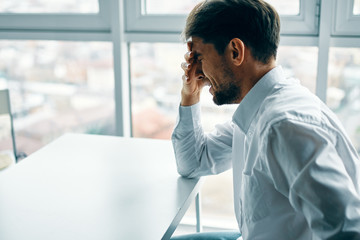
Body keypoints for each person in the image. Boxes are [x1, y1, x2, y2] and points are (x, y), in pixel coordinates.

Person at [170, 0, 360, 239]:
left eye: (198, 56)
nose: (196, 71)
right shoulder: (257, 110)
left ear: (235, 52)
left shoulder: (283, 127)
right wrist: (190, 94)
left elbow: (348, 232)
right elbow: (193, 163)